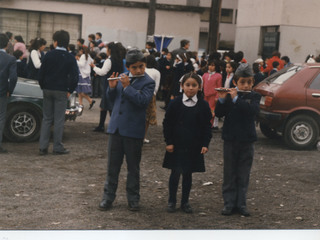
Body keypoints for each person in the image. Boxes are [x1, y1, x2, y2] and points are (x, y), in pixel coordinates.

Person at [98, 49, 155, 212]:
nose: (138, 70)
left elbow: (143, 101)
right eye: (134, 67)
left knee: (133, 168)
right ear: (128, 67)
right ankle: (107, 198)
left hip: (133, 132)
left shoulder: (148, 82)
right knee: (112, 167)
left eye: (141, 66)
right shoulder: (122, 76)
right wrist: (111, 88)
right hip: (115, 129)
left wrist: (127, 87)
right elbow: (112, 101)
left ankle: (133, 199)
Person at [215, 63, 261, 217]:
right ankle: (228, 203)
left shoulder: (254, 97)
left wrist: (235, 99)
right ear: (235, 82)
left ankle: (241, 204)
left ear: (253, 82)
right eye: (242, 82)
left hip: (247, 141)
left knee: (243, 173)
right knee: (229, 172)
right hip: (230, 139)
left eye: (249, 82)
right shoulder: (229, 95)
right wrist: (221, 100)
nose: (246, 85)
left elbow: (251, 112)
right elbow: (219, 114)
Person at [162, 72, 212, 213]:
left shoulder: (203, 105)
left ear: (199, 87)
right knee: (175, 173)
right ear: (182, 86)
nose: (190, 88)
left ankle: (185, 202)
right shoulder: (175, 103)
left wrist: (205, 144)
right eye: (187, 85)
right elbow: (167, 124)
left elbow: (206, 126)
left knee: (188, 174)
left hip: (193, 145)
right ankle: (172, 201)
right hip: (176, 145)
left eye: (194, 85)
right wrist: (169, 142)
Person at [38, 30, 79, 155]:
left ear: (55, 42)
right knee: (59, 119)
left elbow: (41, 73)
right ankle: (57, 147)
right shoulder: (70, 57)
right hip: (61, 90)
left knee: (46, 118)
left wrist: (43, 86)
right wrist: (70, 90)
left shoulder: (48, 55)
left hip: (47, 89)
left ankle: (43, 147)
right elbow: (75, 77)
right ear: (67, 43)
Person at [90, 42, 124, 132]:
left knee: (108, 106)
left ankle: (111, 127)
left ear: (110, 50)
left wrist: (94, 67)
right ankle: (105, 126)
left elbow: (102, 72)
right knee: (107, 106)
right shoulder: (119, 60)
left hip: (109, 83)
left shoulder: (109, 60)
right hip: (117, 83)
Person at [0, 33, 17, 153]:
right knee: (1, 118)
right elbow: (13, 77)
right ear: (7, 45)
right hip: (1, 92)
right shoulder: (10, 59)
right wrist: (9, 90)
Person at [144, 55, 161, 143]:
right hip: (151, 95)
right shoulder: (156, 72)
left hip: (140, 93)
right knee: (147, 118)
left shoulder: (143, 70)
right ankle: (143, 136)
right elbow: (156, 86)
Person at [202, 59, 222, 130]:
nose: (211, 67)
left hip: (213, 96)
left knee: (211, 110)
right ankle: (204, 123)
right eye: (210, 65)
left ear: (216, 67)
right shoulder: (205, 75)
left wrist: (217, 96)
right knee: (204, 109)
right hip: (205, 95)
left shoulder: (218, 75)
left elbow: (219, 87)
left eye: (213, 65)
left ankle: (210, 124)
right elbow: (202, 85)